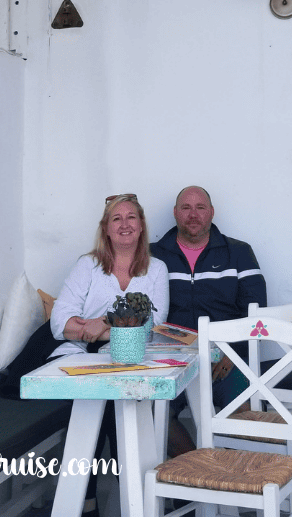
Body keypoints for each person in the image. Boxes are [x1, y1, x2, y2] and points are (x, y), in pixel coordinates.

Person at [50, 193, 169, 517]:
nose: (125, 224)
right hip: (80, 356)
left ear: (142, 226)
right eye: (117, 218)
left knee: (114, 402)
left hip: (130, 361)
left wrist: (102, 323)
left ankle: (94, 499)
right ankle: (109, 498)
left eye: (131, 217)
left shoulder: (156, 269)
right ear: (105, 228)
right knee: (96, 402)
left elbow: (153, 325)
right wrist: (118, 327)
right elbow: (60, 321)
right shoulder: (87, 265)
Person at [151, 185, 267, 454]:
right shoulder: (154, 255)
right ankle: (200, 478)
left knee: (246, 413)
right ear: (175, 213)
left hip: (225, 360)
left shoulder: (238, 252)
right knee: (151, 413)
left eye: (200, 208)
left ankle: (238, 485)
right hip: (172, 362)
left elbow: (257, 313)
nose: (193, 215)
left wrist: (231, 352)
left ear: (212, 213)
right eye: (186, 208)